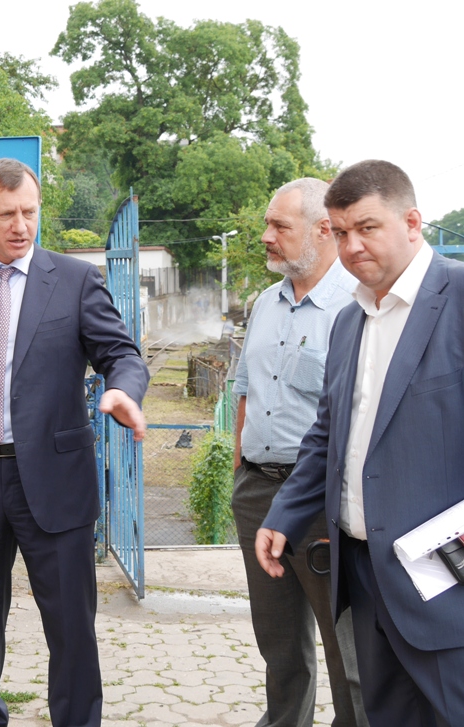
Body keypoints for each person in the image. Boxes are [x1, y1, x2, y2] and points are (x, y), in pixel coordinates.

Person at [0, 158, 149, 726]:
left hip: (54, 482)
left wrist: (122, 390)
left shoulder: (74, 280)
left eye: (29, 212)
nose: (21, 226)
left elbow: (120, 353)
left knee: (71, 627)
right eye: (6, 214)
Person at [257, 160, 464, 726]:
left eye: (367, 228)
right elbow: (328, 435)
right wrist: (285, 514)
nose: (352, 247)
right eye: (342, 232)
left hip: (447, 580)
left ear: (412, 223)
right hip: (365, 574)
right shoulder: (350, 321)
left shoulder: (459, 297)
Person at [232, 178, 366, 727]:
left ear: (323, 230)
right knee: (278, 640)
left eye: (279, 226)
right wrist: (240, 471)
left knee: (345, 648)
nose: (266, 236)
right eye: (267, 224)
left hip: (317, 499)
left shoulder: (356, 306)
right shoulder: (266, 302)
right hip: (256, 491)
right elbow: (245, 390)